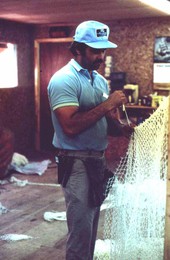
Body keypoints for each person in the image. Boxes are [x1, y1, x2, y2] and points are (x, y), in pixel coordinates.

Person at [48, 20, 133, 260]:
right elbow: (71, 126)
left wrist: (123, 128)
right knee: (81, 231)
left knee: (91, 227)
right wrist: (109, 104)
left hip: (96, 161)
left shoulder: (97, 80)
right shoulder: (64, 79)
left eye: (103, 50)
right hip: (76, 163)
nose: (101, 56)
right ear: (77, 49)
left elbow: (103, 122)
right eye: (95, 50)